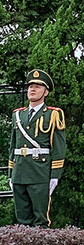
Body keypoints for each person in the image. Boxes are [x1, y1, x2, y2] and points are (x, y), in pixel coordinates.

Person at [7, 69, 66, 226]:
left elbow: (59, 148)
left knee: (40, 219)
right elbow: (13, 146)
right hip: (19, 172)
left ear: (46, 92)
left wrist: (55, 176)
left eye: (38, 87)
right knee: (21, 220)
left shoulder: (53, 114)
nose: (32, 89)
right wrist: (10, 173)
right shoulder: (18, 115)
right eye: (30, 86)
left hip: (40, 173)